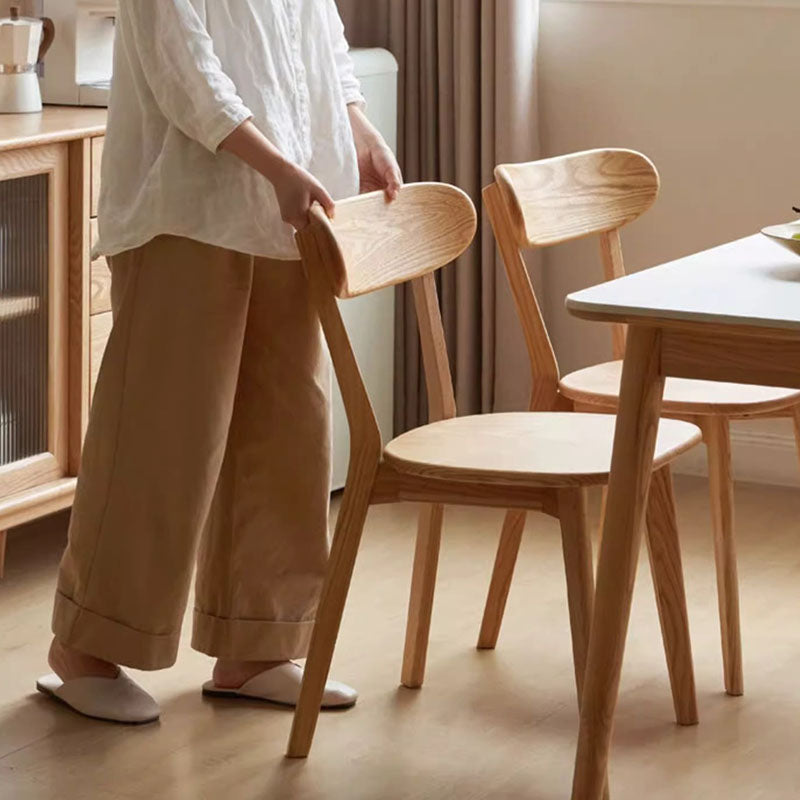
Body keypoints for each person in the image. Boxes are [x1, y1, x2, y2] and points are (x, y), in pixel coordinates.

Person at [36, 0, 402, 724]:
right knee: (162, 437)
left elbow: (316, 35)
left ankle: (256, 646)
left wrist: (356, 124)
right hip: (189, 211)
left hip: (287, 210)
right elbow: (186, 72)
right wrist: (275, 166)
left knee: (286, 428)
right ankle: (86, 647)